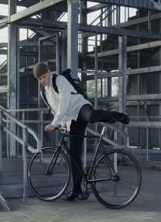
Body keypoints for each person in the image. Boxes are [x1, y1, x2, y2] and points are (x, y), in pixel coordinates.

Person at [33, 62, 130, 201]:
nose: (42, 80)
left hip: (80, 107)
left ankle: (116, 116)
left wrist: (54, 123)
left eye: (43, 76)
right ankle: (77, 190)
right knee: (74, 154)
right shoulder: (44, 93)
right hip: (72, 120)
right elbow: (56, 109)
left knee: (90, 117)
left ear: (49, 72)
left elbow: (64, 103)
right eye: (39, 79)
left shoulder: (59, 80)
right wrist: (64, 124)